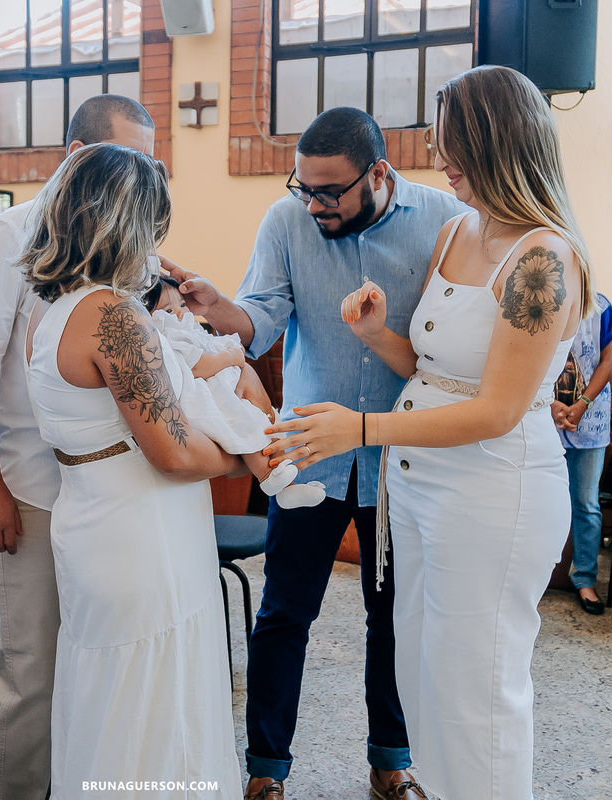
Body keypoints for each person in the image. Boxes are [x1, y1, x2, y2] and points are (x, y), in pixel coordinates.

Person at [263, 65, 594, 800]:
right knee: (422, 672)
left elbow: (499, 408)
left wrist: (364, 428)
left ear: (498, 146)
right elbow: (433, 368)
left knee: (478, 689)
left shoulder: (542, 255)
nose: (441, 163)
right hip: (416, 484)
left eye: (453, 148)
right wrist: (379, 335)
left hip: (489, 492)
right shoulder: (458, 227)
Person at [0, 94, 250, 800]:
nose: (143, 175)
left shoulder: (115, 263)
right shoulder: (11, 236)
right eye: (133, 160)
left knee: (95, 669)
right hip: (31, 482)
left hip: (102, 480)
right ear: (86, 158)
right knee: (34, 665)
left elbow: (154, 362)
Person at [165, 107, 464, 800]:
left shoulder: (444, 220)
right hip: (308, 456)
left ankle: (392, 760)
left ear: (379, 175)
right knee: (283, 616)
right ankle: (265, 771)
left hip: (401, 459)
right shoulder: (287, 220)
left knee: (393, 616)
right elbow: (257, 322)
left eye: (330, 192)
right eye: (304, 188)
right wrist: (219, 306)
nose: (315, 205)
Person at [20, 143, 244, 798]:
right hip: (146, 537)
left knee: (111, 701)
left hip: (94, 521)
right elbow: (172, 450)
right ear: (131, 225)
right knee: (157, 710)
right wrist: (251, 455)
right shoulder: (114, 314)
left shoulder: (51, 309)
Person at [144, 275, 326, 508]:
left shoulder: (187, 328)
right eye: (168, 310)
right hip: (209, 394)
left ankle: (287, 487)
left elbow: (212, 347)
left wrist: (233, 355)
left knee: (260, 422)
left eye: (181, 304)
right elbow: (198, 366)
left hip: (225, 385)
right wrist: (231, 358)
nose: (180, 313)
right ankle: (268, 477)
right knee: (243, 423)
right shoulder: (169, 337)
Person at [550, 293, 612, 616]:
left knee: (587, 503)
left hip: (589, 420)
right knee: (540, 499)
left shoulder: (601, 307)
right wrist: (551, 405)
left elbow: (609, 361)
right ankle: (536, 574)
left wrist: (582, 404)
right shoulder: (545, 299)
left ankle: (585, 578)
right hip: (545, 416)